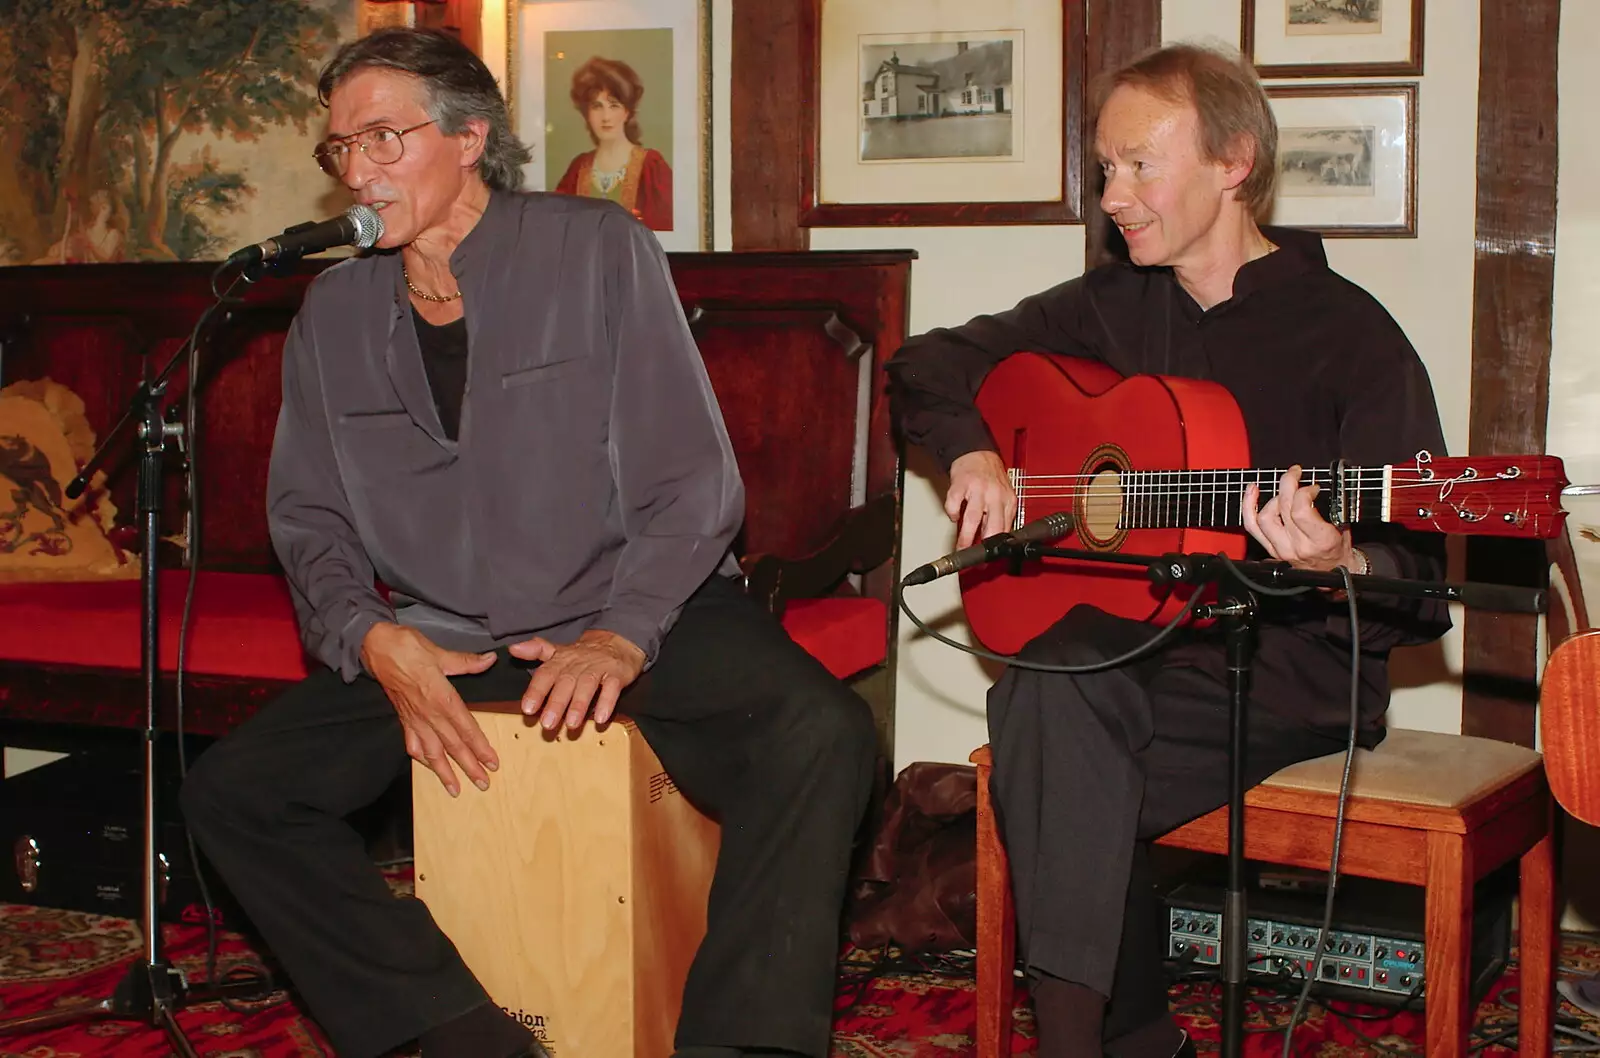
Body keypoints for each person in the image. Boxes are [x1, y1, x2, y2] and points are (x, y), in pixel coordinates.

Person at [179, 27, 875, 1058]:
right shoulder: (330, 308)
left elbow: (695, 481)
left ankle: (742, 1042)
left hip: (636, 598)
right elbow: (309, 516)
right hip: (446, 632)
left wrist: (621, 633)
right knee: (236, 791)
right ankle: (455, 1032)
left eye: (383, 138)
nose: (357, 170)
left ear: (469, 136)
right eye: (340, 149)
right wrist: (370, 637)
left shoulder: (593, 245)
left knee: (821, 732)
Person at [886, 42, 1451, 1058]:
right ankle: (1133, 1038)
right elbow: (927, 360)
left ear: (1234, 161)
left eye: (1139, 164)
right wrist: (970, 447)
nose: (1114, 195)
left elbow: (1418, 578)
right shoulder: (1109, 305)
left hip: (1279, 675)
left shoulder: (1351, 336)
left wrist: (1337, 563)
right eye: (1104, 169)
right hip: (1124, 655)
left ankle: (1117, 1038)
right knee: (1058, 685)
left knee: (1054, 724)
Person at [554, 56, 673, 230]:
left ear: (627, 112)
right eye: (596, 106)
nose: (606, 117)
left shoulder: (651, 167)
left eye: (614, 105)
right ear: (586, 113)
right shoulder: (578, 169)